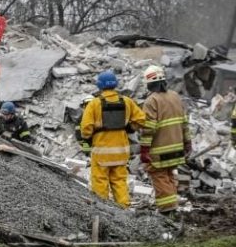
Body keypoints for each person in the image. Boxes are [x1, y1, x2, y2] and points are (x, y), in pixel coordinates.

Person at [80, 70, 145, 208]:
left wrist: (90, 137)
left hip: (101, 153)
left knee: (100, 182)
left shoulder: (94, 104)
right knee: (119, 182)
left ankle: (102, 210)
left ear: (99, 85)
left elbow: (86, 129)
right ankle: (124, 211)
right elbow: (141, 119)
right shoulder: (127, 101)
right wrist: (130, 128)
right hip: (121, 152)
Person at [140, 65, 191, 214]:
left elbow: (148, 128)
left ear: (149, 83)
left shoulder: (151, 100)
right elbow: (184, 123)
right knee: (169, 176)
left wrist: (144, 150)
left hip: (159, 150)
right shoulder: (175, 96)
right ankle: (172, 205)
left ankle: (168, 211)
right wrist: (188, 143)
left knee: (159, 176)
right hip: (176, 148)